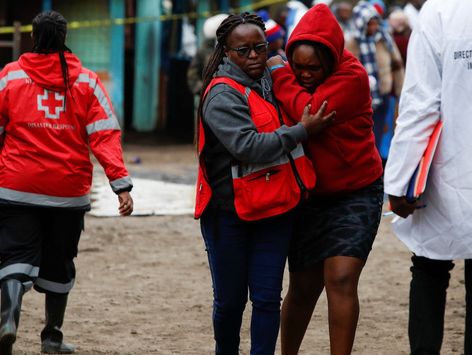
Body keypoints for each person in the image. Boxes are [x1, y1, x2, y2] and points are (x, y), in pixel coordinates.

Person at [194, 12, 335, 355]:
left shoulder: (274, 80)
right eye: (243, 50)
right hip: (230, 216)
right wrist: (302, 130)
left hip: (275, 211)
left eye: (261, 47)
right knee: (230, 303)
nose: (254, 55)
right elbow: (248, 146)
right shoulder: (221, 95)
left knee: (268, 299)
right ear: (226, 52)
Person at [0, 11, 133, 355]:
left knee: (15, 254)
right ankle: (52, 338)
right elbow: (104, 134)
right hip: (67, 192)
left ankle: (8, 317)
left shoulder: (10, 76)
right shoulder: (87, 81)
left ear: (33, 36)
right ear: (64, 37)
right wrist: (121, 183)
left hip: (15, 186)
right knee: (60, 261)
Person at [267, 4, 383, 354]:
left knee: (341, 279)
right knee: (303, 287)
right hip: (309, 195)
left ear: (331, 59)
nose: (303, 74)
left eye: (312, 68)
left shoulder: (352, 77)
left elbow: (308, 110)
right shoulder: (301, 72)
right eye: (296, 66)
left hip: (357, 192)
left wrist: (280, 74)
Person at [384, 0, 472, 353]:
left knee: (429, 266)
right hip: (450, 167)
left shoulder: (440, 11)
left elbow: (420, 103)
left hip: (448, 167)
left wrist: (400, 182)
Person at [346, 0, 404, 163]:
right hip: (364, 100)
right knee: (368, 135)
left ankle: (381, 163)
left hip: (384, 94)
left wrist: (400, 90)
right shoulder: (352, 42)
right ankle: (371, 164)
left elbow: (397, 64)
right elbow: (349, 72)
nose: (373, 28)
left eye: (374, 23)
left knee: (384, 132)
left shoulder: (383, 38)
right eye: (369, 24)